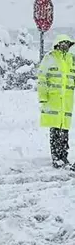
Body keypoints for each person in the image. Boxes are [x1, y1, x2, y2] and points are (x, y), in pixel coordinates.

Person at [38, 34, 75, 169]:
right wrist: (43, 96)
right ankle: (56, 158)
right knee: (55, 130)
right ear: (57, 44)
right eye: (63, 43)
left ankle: (63, 157)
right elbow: (42, 78)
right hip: (53, 101)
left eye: (67, 43)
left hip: (67, 102)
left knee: (64, 130)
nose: (65, 45)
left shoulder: (71, 59)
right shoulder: (50, 58)